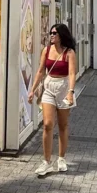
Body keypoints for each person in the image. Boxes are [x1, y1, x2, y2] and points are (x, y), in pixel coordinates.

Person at [29, 24, 77, 177]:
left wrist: (70, 92)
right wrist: (32, 89)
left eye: (54, 33)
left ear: (61, 35)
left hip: (63, 88)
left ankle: (61, 158)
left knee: (62, 125)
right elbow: (41, 70)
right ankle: (46, 162)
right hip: (49, 87)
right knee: (48, 124)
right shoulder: (47, 50)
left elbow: (71, 73)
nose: (51, 35)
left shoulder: (69, 53)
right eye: (50, 32)